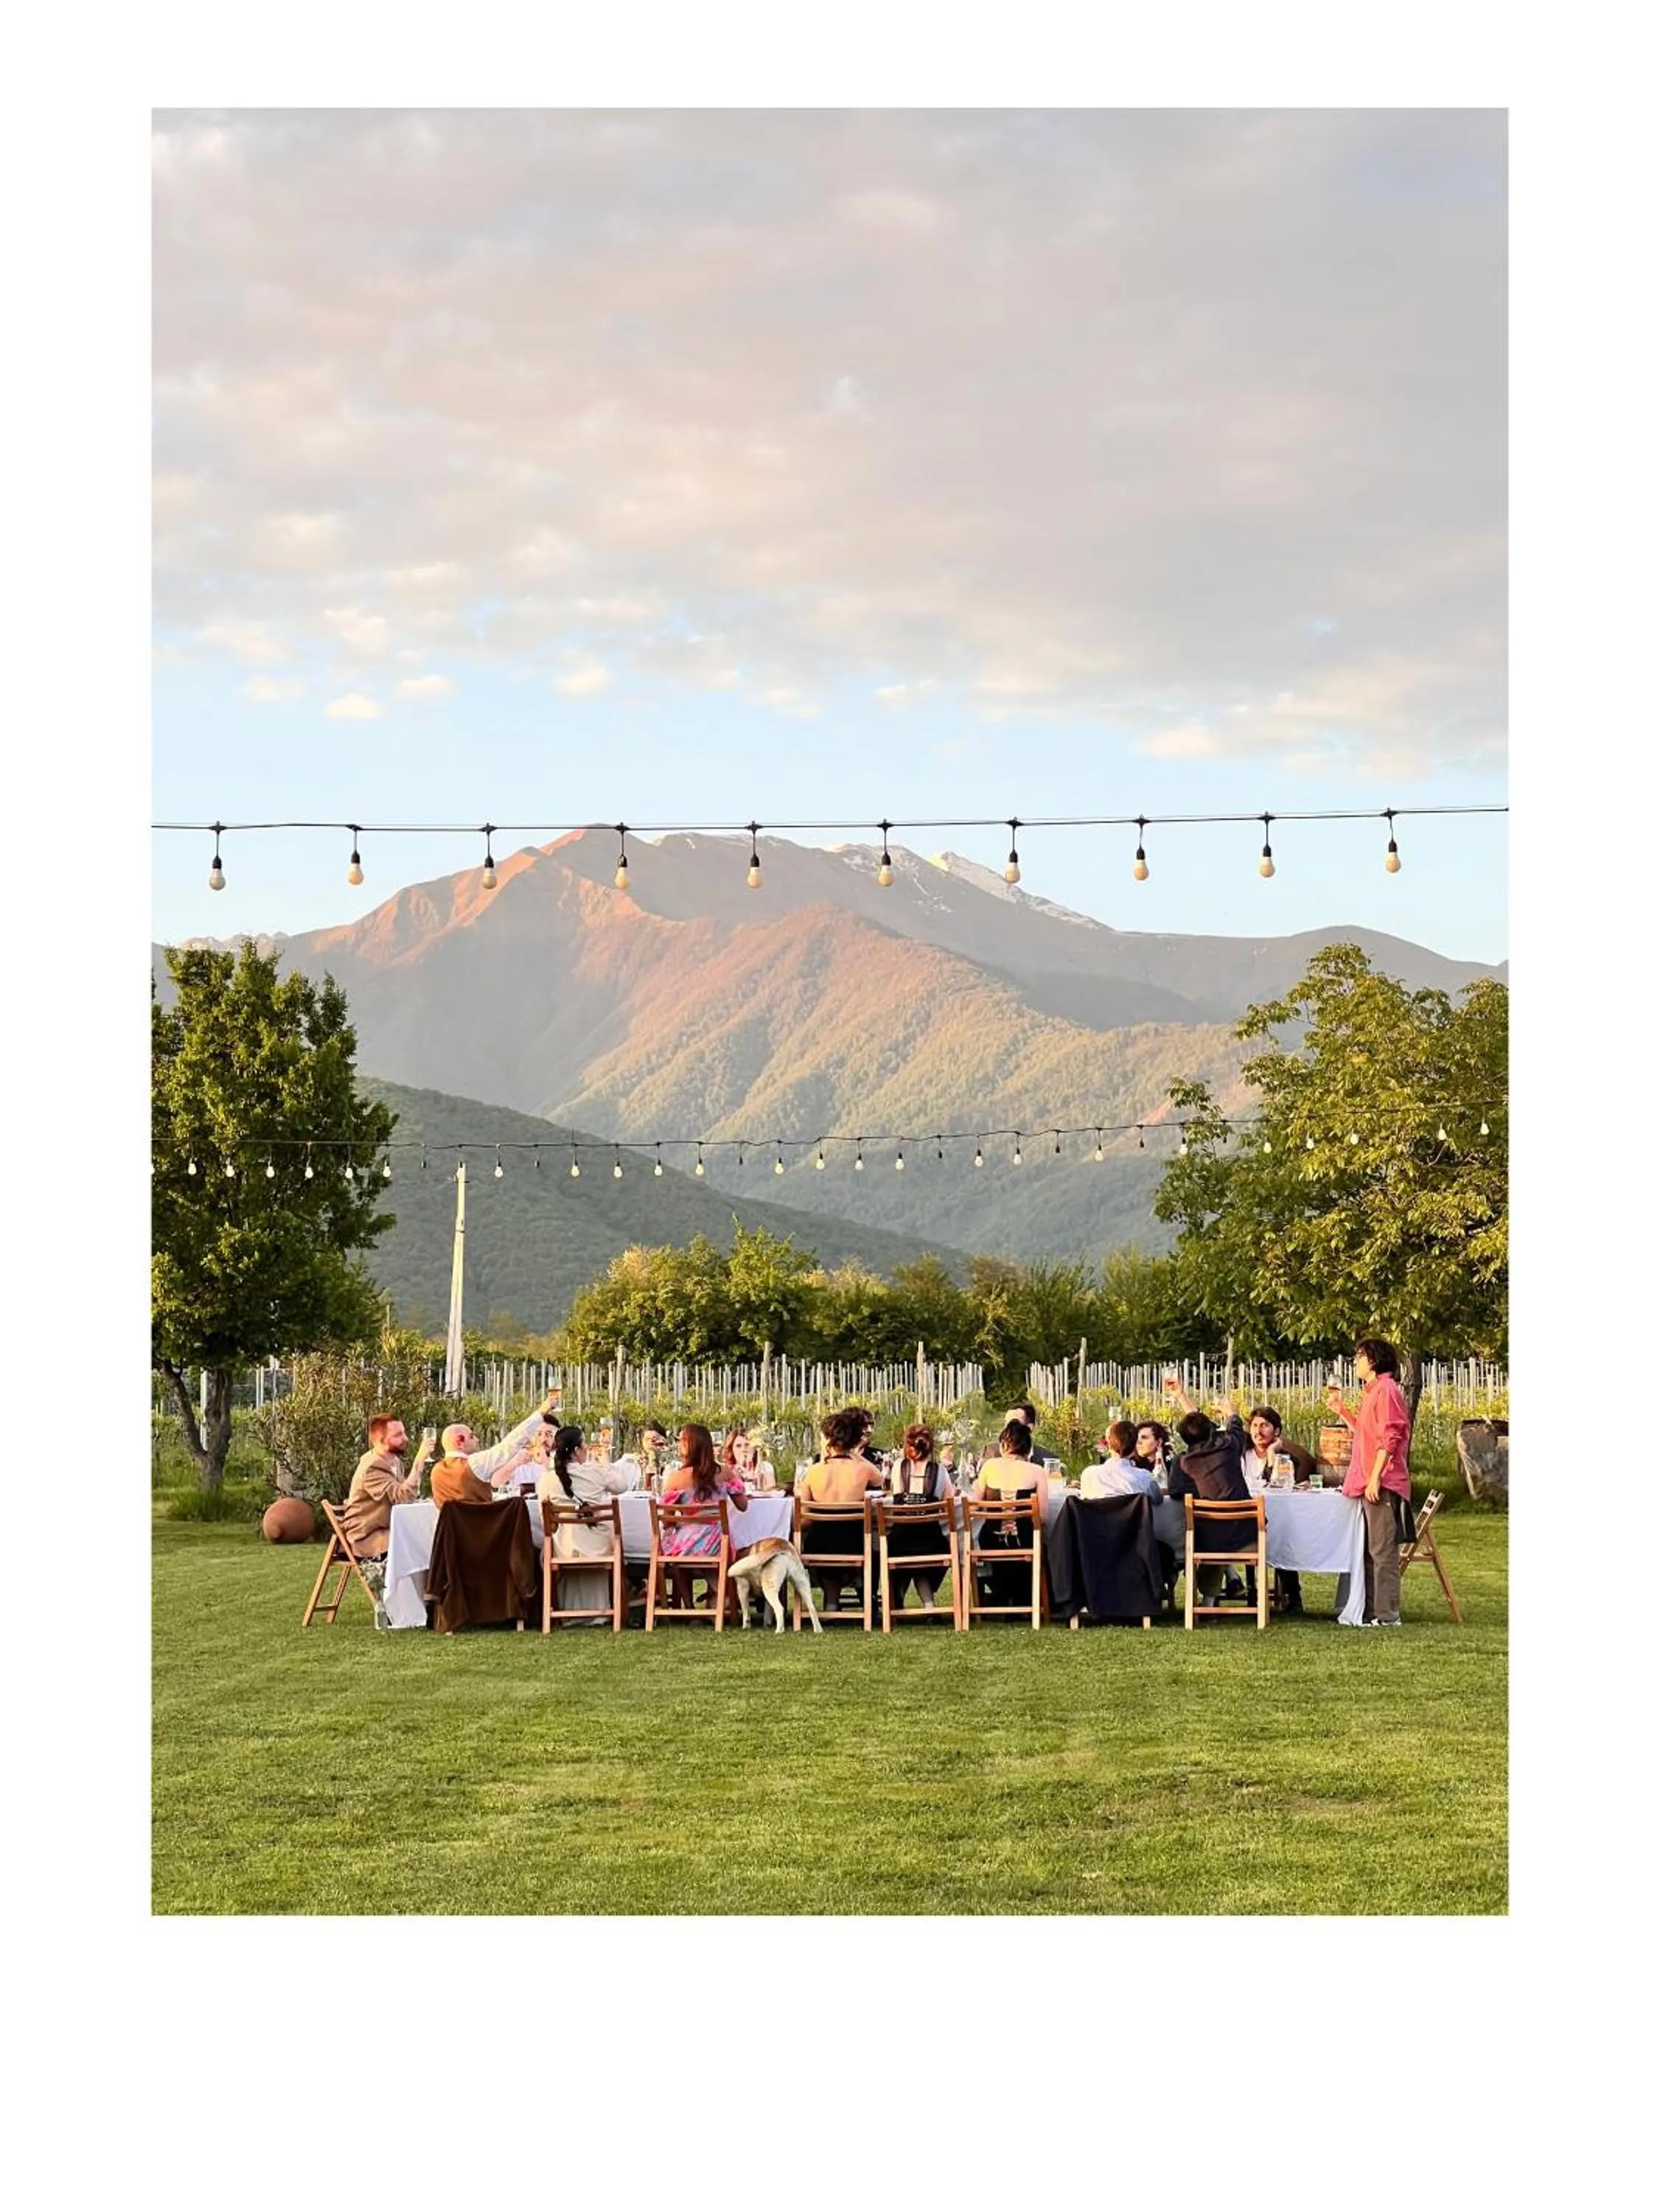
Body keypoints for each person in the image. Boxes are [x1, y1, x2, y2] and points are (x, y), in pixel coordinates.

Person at [1325, 1338, 1413, 1627]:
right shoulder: (1373, 1392)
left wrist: (1375, 1477)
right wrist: (1341, 1411)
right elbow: (1366, 1433)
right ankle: (1371, 1611)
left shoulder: (1386, 1390)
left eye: (1359, 1357)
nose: (1355, 1362)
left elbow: (1391, 1437)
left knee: (1382, 1550)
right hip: (1368, 1480)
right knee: (1368, 1550)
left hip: (1382, 1481)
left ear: (1374, 1360)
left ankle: (1387, 1616)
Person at [1165, 1381, 1252, 1607]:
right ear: (1212, 1432)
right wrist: (1231, 1411)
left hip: (1210, 1536)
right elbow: (1234, 1427)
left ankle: (1209, 1601)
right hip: (1246, 1532)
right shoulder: (1229, 1446)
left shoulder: (1183, 1463)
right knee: (1217, 1534)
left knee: (1204, 1535)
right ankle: (1215, 1597)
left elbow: (1176, 1492)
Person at [537, 1423, 634, 1620]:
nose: (587, 1449)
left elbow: (544, 1520)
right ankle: (611, 1609)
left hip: (564, 1548)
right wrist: (605, 1462)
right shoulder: (594, 1472)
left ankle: (563, 1613)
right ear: (576, 1450)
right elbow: (623, 1486)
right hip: (597, 1547)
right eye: (584, 1445)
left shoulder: (546, 1479)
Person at [660, 1422, 747, 1615]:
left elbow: (667, 1522)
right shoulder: (724, 1472)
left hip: (686, 1547)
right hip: (718, 1543)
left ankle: (690, 1609)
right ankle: (720, 1598)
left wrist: (683, 1519)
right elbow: (743, 1506)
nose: (677, 1445)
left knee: (673, 1550)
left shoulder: (674, 1478)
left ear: (689, 1445)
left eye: (680, 1441)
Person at [799, 1408, 880, 1613]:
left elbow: (805, 1518)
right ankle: (864, 1594)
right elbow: (880, 1480)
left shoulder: (813, 1472)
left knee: (820, 1536)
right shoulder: (863, 1469)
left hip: (820, 1545)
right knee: (875, 1543)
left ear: (828, 1440)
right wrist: (856, 1455)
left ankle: (831, 1605)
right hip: (855, 1543)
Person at [1243, 1405, 1318, 1615]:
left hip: (1277, 1518)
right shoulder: (1241, 1455)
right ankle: (1250, 1591)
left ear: (1276, 1432)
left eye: (1264, 1426)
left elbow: (1272, 1485)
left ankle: (1293, 1596)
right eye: (1255, 1426)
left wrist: (1271, 1454)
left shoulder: (1286, 1458)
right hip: (1244, 1516)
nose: (1258, 1431)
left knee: (1282, 1537)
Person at [341, 1413, 437, 1576]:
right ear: (381, 1441)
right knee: (419, 1544)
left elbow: (404, 1499)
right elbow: (404, 1496)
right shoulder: (372, 1467)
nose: (405, 1438)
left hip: (387, 1530)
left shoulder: (394, 1461)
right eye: (398, 1435)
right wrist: (419, 1461)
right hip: (368, 1537)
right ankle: (415, 1597)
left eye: (404, 1433)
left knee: (431, 1538)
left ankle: (428, 1595)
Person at [972, 1419, 1050, 1608]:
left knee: (986, 1539)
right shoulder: (1037, 1471)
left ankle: (1001, 1595)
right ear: (1027, 1448)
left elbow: (974, 1507)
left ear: (1003, 1445)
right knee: (1046, 1544)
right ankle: (1027, 1598)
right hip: (1024, 1541)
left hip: (991, 1541)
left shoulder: (989, 1467)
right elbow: (1043, 1517)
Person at [886, 1422, 957, 1613]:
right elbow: (949, 1502)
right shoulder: (940, 1470)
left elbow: (896, 1495)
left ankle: (897, 1602)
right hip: (930, 1542)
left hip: (900, 1543)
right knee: (927, 1555)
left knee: (895, 1549)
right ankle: (928, 1605)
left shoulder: (898, 1467)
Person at [1081, 1420, 1162, 1500]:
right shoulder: (1144, 1478)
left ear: (1108, 1441)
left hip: (1098, 1513)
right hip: (1132, 1513)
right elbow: (1158, 1500)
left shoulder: (1089, 1475)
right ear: (1135, 1445)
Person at [1002, 1399, 1062, 1472]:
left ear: (1030, 1428)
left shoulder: (1049, 1460)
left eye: (1014, 1424)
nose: (1007, 1428)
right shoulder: (992, 1456)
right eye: (1005, 1423)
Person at [1131, 1420, 1173, 1492]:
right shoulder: (1132, 1466)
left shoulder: (1171, 1465)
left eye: (1144, 1438)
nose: (1139, 1442)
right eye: (1137, 1438)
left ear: (1159, 1442)